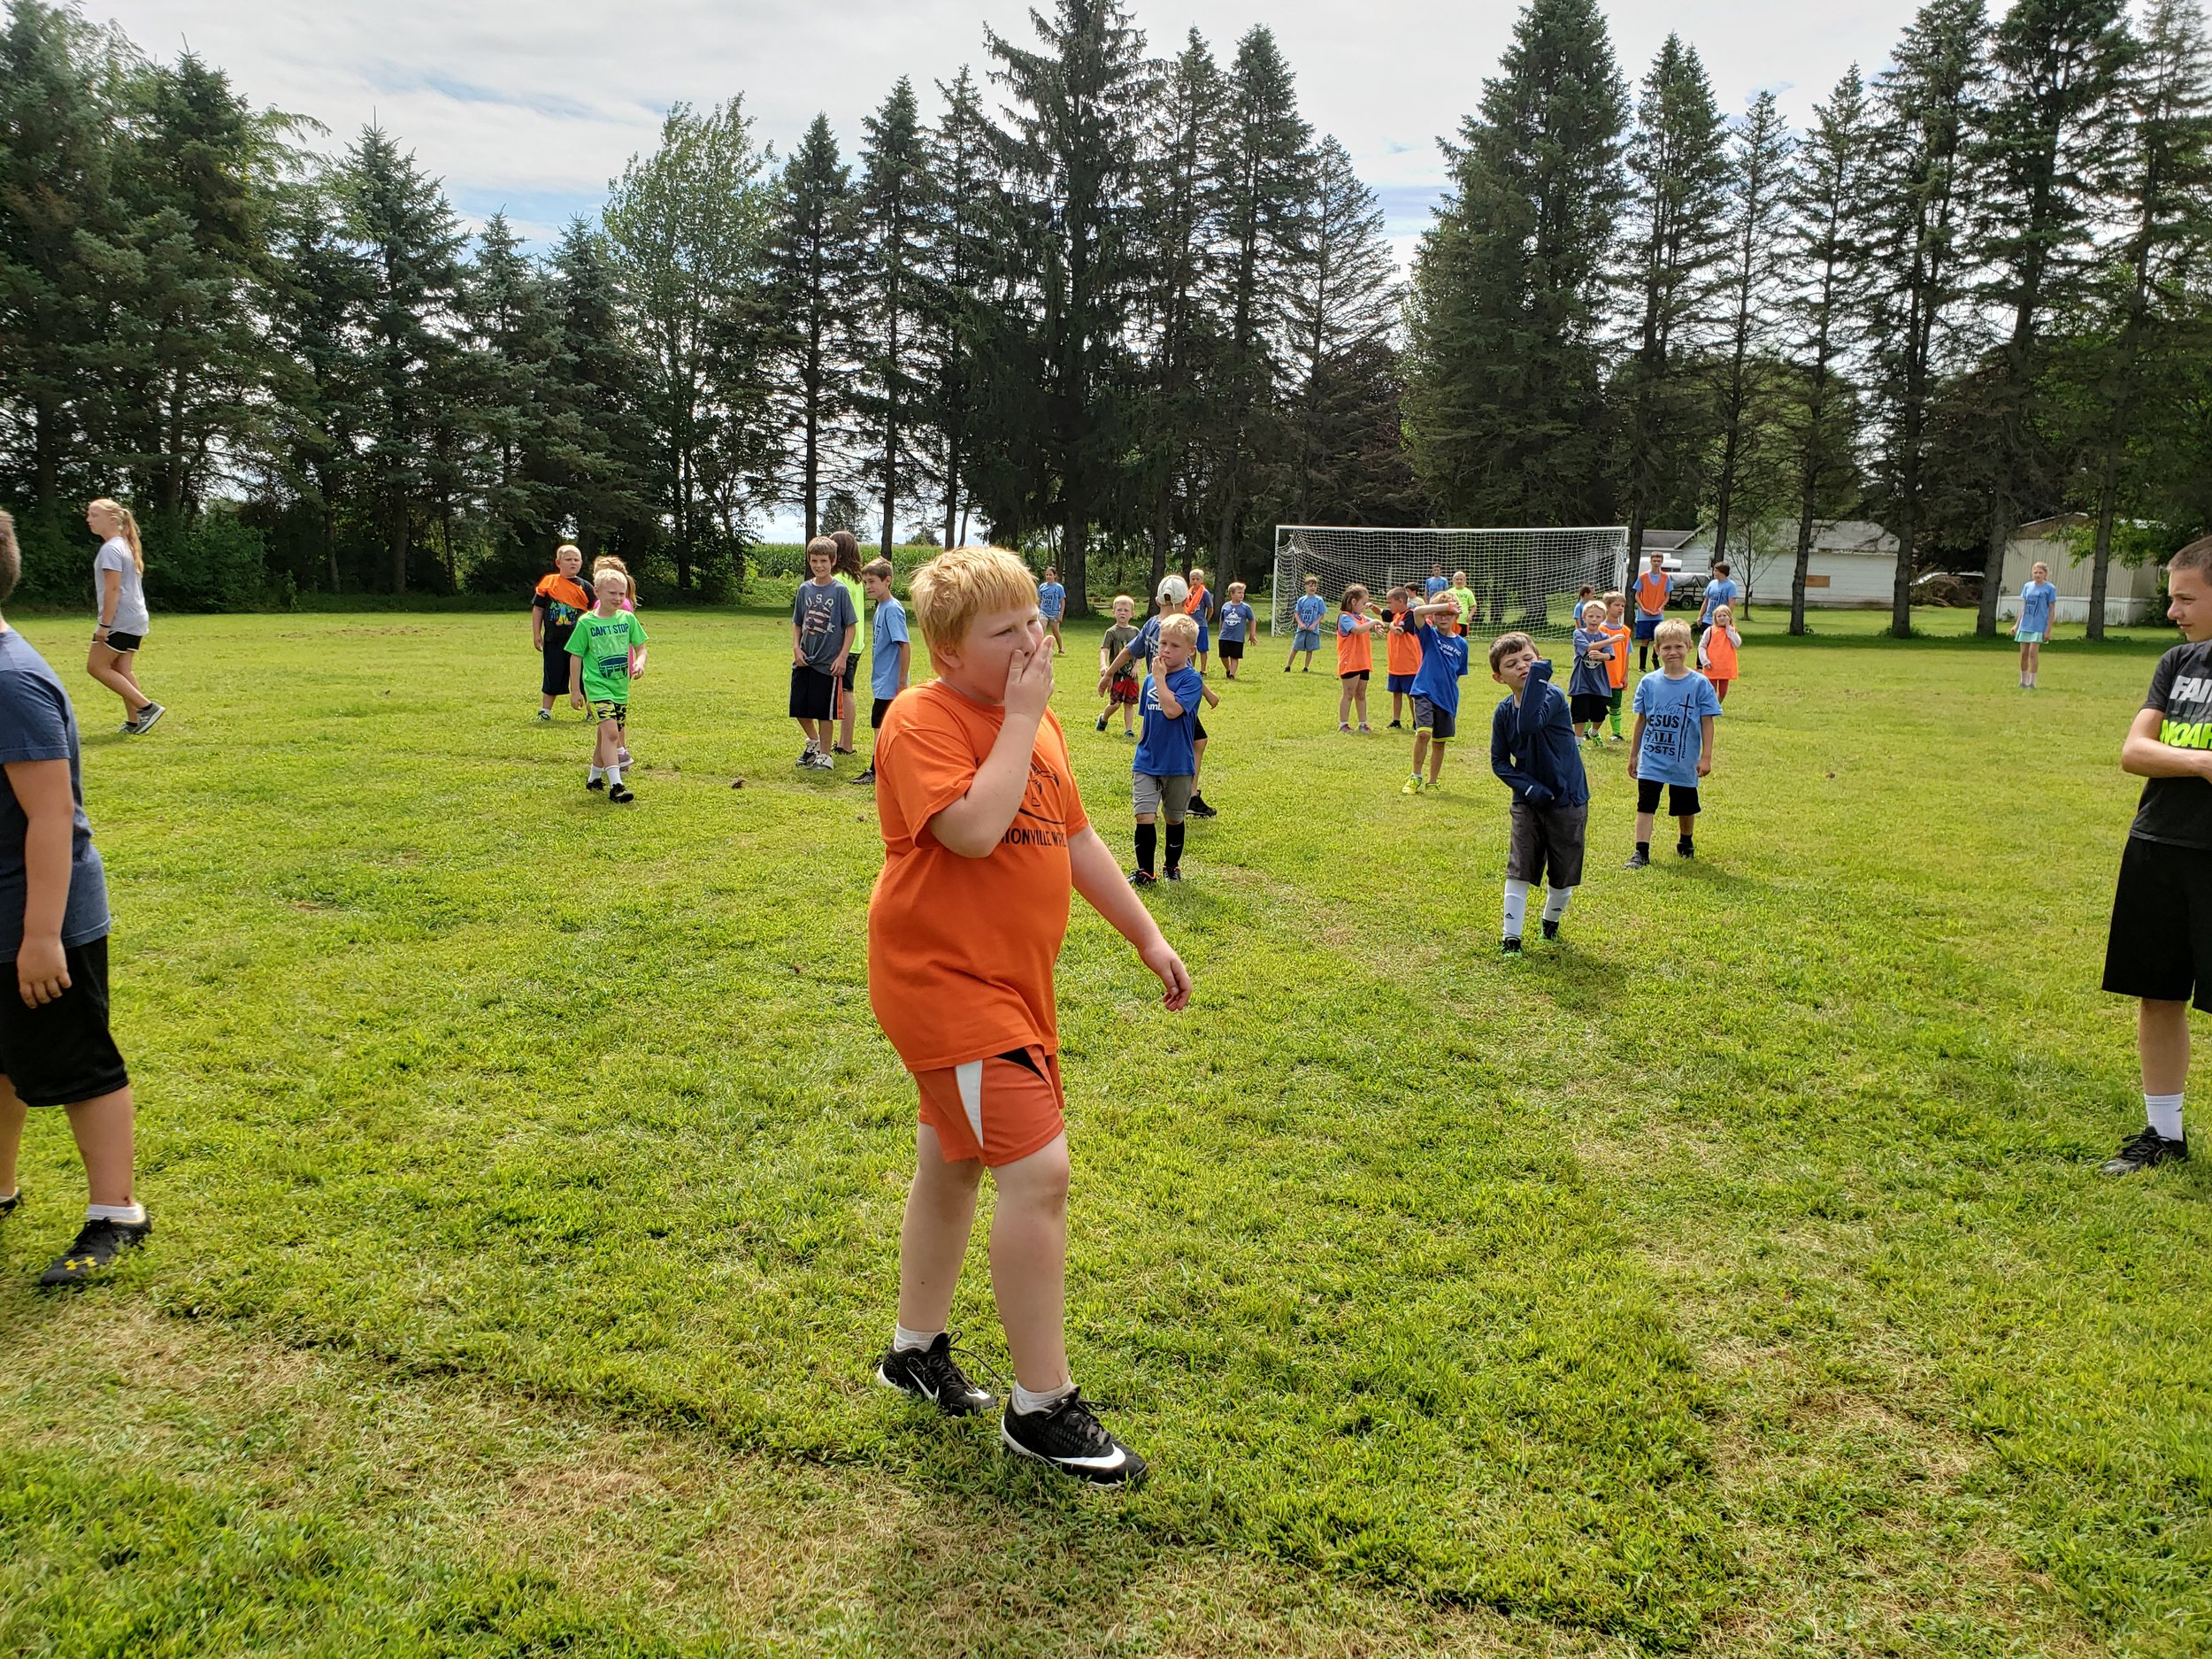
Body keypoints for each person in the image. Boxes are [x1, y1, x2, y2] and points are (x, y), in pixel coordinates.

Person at [866, 544, 1191, 1484]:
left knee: (953, 1163)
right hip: (944, 981)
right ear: (948, 652)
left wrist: (1145, 935)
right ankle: (1041, 1406)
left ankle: (913, 1351)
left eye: (1033, 623)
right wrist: (1016, 718)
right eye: (1004, 632)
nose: (1030, 643)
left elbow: (1075, 835)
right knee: (1039, 1175)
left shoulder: (1036, 721)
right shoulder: (922, 717)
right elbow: (972, 830)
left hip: (1012, 983)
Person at [0, 511, 152, 1286]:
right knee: (5, 1058)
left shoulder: (8, 681)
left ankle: (116, 1212)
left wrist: (39, 935)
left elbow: (53, 815)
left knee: (77, 1061)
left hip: (38, 919)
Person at [2096, 535, 2212, 1176]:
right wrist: (2201, 762)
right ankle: (2164, 1134)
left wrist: (2177, 759)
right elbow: (2134, 752)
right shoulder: (2178, 663)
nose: (2172, 611)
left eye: (2185, 599)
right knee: (2157, 994)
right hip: (2158, 843)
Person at [1488, 631, 1590, 954]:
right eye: (1511, 664)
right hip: (1528, 801)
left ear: (1540, 660)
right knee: (1519, 866)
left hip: (1567, 797)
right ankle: (1511, 939)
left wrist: (1539, 678)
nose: (1522, 666)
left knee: (1563, 872)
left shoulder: (1553, 696)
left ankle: (1550, 922)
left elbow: (1531, 721)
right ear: (1498, 677)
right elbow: (1499, 762)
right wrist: (1529, 787)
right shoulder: (1503, 712)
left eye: (1528, 660)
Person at [1625, 618, 1722, 868]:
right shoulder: (1649, 683)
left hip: (1683, 759)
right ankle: (1641, 852)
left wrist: (1706, 757)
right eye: (1666, 647)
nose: (1673, 652)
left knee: (1685, 804)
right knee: (1646, 804)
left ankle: (1685, 841)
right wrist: (1634, 754)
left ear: (1689, 646)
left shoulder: (1699, 684)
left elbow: (1707, 722)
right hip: (1652, 758)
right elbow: (1642, 720)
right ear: (1657, 649)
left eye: (1678, 646)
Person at [1130, 615, 1205, 885]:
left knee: (1173, 818)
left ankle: (1171, 866)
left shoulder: (1191, 680)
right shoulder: (1150, 681)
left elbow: (1172, 711)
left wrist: (1160, 680)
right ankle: (1145, 872)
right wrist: (1141, 750)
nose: (1166, 650)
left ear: (1190, 651)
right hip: (1147, 761)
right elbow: (1146, 720)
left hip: (1177, 762)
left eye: (1175, 646)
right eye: (1163, 643)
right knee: (1144, 816)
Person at [566, 568, 649, 803]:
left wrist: (640, 662)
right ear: (597, 591)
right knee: (612, 734)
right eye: (612, 593)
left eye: (622, 594)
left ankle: (594, 778)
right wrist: (575, 690)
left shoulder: (628, 619)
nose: (617, 598)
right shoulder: (587, 623)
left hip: (620, 688)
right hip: (597, 688)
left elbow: (641, 647)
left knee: (605, 737)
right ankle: (616, 785)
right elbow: (575, 656)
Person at [84, 498, 161, 735]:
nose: (88, 519)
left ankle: (147, 707)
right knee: (121, 669)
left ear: (112, 520)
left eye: (94, 515)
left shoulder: (111, 549)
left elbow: (113, 589)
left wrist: (104, 625)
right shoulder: (124, 545)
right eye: (89, 514)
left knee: (96, 666)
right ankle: (135, 721)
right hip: (136, 617)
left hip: (121, 620)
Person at [792, 536, 858, 772]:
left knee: (823, 712)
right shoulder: (805, 589)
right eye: (814, 561)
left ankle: (825, 755)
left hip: (827, 663)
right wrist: (796, 648)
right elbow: (797, 622)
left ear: (833, 561)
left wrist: (842, 657)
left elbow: (851, 626)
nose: (818, 565)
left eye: (823, 561)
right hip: (805, 660)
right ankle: (814, 742)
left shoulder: (839, 591)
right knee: (799, 707)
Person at [1401, 594, 1470, 794]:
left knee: (1439, 743)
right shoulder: (1429, 635)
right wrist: (1444, 605)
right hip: (1424, 692)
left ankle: (1432, 781)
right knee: (1423, 733)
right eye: (1439, 614)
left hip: (1447, 699)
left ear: (1455, 616)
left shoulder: (1462, 644)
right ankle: (1415, 777)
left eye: (1448, 614)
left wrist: (1446, 690)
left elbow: (1458, 673)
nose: (1443, 617)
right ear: (1433, 616)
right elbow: (1417, 612)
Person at [853, 559, 910, 787]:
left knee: (880, 724)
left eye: (872, 581)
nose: (868, 586)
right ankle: (884, 768)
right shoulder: (881, 608)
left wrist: (901, 682)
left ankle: (877, 770)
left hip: (890, 683)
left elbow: (904, 645)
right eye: (865, 582)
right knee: (882, 724)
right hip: (882, 681)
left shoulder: (892, 610)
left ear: (887, 581)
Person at [532, 543, 592, 721]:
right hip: (554, 639)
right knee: (553, 673)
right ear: (558, 563)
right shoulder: (549, 583)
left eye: (576, 560)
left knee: (585, 677)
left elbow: (595, 612)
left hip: (580, 642)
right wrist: (537, 634)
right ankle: (545, 711)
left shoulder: (586, 587)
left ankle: (591, 711)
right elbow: (538, 609)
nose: (573, 563)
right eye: (568, 559)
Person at [591, 555, 641, 766]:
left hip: (613, 666)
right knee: (612, 718)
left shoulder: (620, 605)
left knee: (613, 718)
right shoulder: (613, 602)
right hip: (610, 665)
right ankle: (610, 757)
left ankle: (619, 752)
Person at [832, 532, 868, 756]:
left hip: (844, 644)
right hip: (856, 642)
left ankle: (846, 744)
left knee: (845, 692)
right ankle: (843, 741)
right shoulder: (856, 580)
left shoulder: (839, 580)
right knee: (846, 690)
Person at [1336, 584, 1385, 734]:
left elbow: (1372, 624)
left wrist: (1377, 627)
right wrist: (1374, 623)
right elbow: (1357, 630)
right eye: (1363, 603)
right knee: (1349, 693)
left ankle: (1363, 724)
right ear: (1353, 602)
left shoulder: (1362, 617)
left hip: (1363, 661)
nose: (1364, 607)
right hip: (1350, 662)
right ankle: (1343, 724)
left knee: (1361, 693)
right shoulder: (1345, 617)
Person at [1569, 599, 1614, 743]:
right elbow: (1588, 648)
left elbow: (1609, 655)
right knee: (1580, 714)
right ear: (1584, 617)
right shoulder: (1578, 633)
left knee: (1599, 714)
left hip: (1599, 682)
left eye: (1598, 616)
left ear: (1603, 618)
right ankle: (1577, 742)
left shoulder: (1604, 636)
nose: (1594, 619)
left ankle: (1593, 732)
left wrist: (1602, 656)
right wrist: (1611, 641)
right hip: (1581, 681)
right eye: (1590, 616)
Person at [1094, 595, 1141, 736]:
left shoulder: (1135, 632)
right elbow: (1104, 650)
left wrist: (1136, 666)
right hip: (1116, 674)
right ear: (1113, 612)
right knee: (1115, 703)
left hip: (1131, 675)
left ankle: (1129, 730)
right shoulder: (1111, 632)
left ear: (1132, 614)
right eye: (1119, 610)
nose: (1122, 613)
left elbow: (1141, 652)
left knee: (1129, 703)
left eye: (1126, 610)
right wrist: (1104, 665)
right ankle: (1103, 718)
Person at [1381, 586, 1423, 728]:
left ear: (1400, 601)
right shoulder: (1396, 615)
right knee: (1396, 693)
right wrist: (1372, 607)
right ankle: (1396, 720)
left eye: (1390, 602)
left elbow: (1399, 631)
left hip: (1409, 664)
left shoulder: (1410, 615)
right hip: (1395, 664)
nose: (1388, 605)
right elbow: (1381, 613)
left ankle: (1417, 721)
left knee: (1412, 695)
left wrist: (1391, 626)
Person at [2016, 561, 2058, 689]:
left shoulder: (2050, 588)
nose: (2037, 575)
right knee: (2024, 654)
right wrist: (2017, 625)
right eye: (2035, 572)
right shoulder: (2027, 586)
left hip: (2039, 625)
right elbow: (2024, 607)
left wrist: (2048, 630)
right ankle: (2023, 681)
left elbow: (2051, 609)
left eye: (2040, 573)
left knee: (2032, 653)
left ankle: (2032, 683)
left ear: (2045, 574)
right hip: (2025, 624)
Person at [1633, 550, 1674, 673]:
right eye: (1654, 561)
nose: (1656, 563)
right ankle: (1642, 666)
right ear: (1650, 561)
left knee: (1658, 639)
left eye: (1658, 561)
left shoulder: (1665, 577)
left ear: (1662, 562)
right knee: (1645, 639)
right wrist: (1643, 608)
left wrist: (1661, 607)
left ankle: (1655, 659)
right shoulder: (1643, 577)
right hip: (1644, 614)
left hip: (1658, 614)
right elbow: (1637, 595)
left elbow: (1667, 595)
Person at [1600, 591, 1632, 742]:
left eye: (1623, 606)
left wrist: (1625, 674)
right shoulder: (1600, 629)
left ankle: (1617, 733)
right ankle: (1587, 732)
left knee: (1615, 705)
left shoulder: (1625, 631)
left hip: (1617, 676)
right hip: (1601, 676)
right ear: (1607, 607)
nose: (1620, 608)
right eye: (1616, 605)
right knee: (1596, 704)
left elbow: (1626, 654)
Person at [1700, 603, 1742, 703]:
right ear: (1715, 618)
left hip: (1725, 667)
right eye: (1719, 616)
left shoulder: (1732, 630)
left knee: (1723, 692)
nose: (1722, 618)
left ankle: (1717, 706)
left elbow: (1737, 644)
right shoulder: (1710, 631)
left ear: (1729, 617)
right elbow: (1702, 646)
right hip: (1711, 666)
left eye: (1724, 615)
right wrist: (1705, 661)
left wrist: (1729, 630)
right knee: (1711, 691)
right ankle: (1711, 707)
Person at [1216, 582, 1256, 680]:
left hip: (1237, 637)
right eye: (1239, 593)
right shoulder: (1225, 606)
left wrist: (1252, 634)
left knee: (1234, 656)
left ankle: (1232, 674)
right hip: (1225, 636)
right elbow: (1222, 620)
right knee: (1223, 656)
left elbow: (1252, 620)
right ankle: (1228, 669)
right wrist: (1220, 631)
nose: (1241, 595)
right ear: (1232, 594)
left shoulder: (1246, 608)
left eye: (1243, 593)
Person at [1285, 576, 1325, 672]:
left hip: (1312, 630)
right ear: (1305, 587)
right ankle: (1288, 666)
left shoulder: (1319, 600)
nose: (1313, 588)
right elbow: (1297, 614)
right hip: (1302, 629)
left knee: (1309, 650)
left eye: (1315, 586)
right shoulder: (1301, 600)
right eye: (1311, 586)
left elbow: (1322, 615)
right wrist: (1300, 623)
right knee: (1295, 648)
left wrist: (1314, 624)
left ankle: (1306, 667)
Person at [1183, 567, 1215, 675]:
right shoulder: (1188, 594)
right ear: (1190, 580)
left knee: (1203, 648)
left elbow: (1210, 608)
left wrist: (1206, 619)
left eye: (1197, 579)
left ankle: (1203, 669)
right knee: (1191, 647)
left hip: (1201, 625)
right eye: (1193, 579)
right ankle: (1191, 668)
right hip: (1189, 625)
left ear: (1202, 580)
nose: (1195, 581)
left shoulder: (1204, 593)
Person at [1699, 559, 1741, 632]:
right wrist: (1700, 616)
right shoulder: (1712, 583)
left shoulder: (1731, 585)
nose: (1713, 572)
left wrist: (1726, 619)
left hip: (1720, 622)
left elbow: (1731, 604)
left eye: (1716, 571)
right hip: (1707, 621)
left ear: (1722, 572)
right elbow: (1706, 601)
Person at [1037, 565, 1066, 657]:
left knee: (1055, 632)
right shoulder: (1042, 587)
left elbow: (1062, 601)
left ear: (1055, 576)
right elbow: (1039, 599)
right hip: (1043, 611)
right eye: (1047, 575)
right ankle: (1040, 648)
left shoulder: (1059, 587)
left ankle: (1061, 648)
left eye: (1050, 575)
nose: (1048, 577)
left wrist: (1061, 615)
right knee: (1042, 629)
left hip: (1054, 613)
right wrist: (1037, 610)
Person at [1448, 570, 1479, 638]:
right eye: (1457, 579)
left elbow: (1474, 606)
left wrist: (1470, 615)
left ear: (1465, 581)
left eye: (1461, 579)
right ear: (1453, 581)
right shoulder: (1449, 592)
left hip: (1463, 620)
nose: (1459, 581)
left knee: (1461, 638)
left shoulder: (1468, 592)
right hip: (1452, 620)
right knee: (1451, 637)